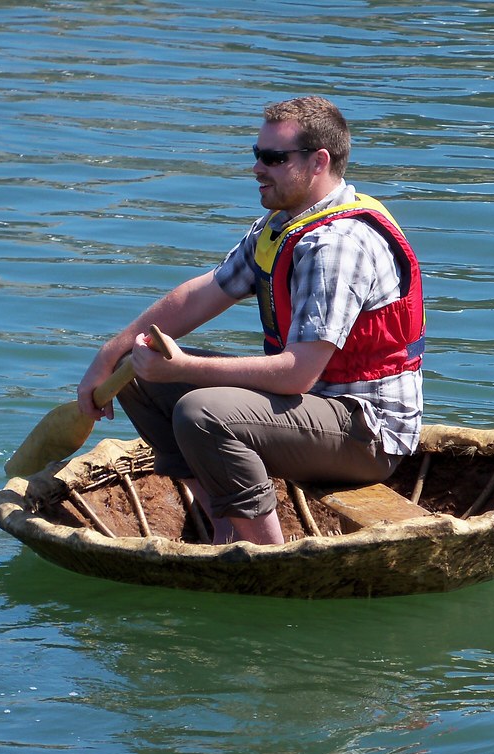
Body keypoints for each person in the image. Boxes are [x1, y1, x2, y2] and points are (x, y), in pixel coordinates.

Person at [76, 96, 424, 545]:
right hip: (312, 412)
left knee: (202, 412)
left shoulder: (336, 246)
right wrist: (113, 353)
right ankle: (224, 524)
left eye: (274, 159)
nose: (258, 168)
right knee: (140, 371)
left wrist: (184, 369)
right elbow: (206, 292)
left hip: (367, 433)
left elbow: (298, 374)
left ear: (318, 162)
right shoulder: (281, 223)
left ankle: (264, 551)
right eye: (256, 154)